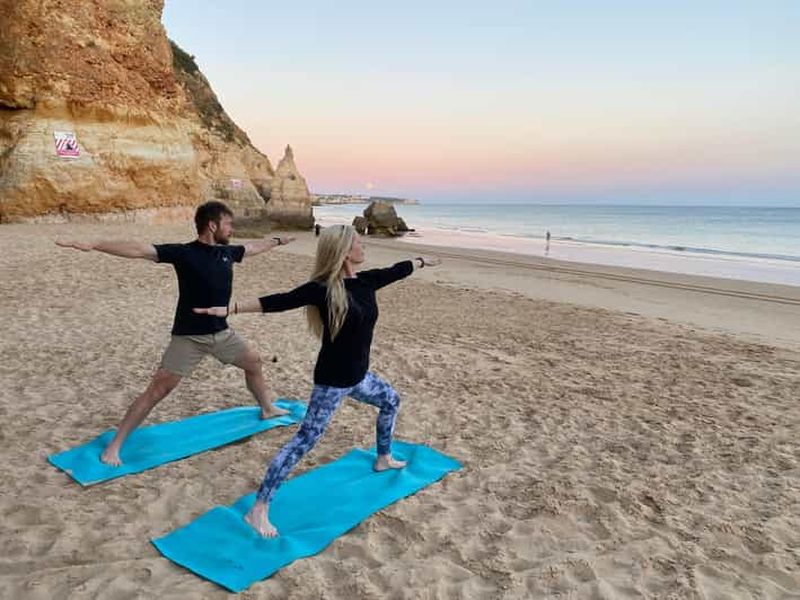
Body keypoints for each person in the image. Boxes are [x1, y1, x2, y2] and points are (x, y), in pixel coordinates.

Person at [194, 224, 441, 537]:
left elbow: (397, 270)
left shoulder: (366, 281)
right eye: (357, 242)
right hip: (333, 382)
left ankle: (383, 457)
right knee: (304, 442)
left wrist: (420, 261)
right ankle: (259, 509)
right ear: (343, 251)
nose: (362, 247)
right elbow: (279, 300)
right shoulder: (324, 289)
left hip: (359, 377)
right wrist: (228, 309)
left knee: (391, 400)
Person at [56, 200, 295, 466]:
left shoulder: (228, 252)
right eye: (228, 224)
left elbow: (253, 248)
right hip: (189, 338)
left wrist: (276, 240)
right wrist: (95, 245)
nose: (232, 230)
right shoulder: (185, 253)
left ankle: (267, 408)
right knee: (157, 391)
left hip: (222, 334)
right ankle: (114, 446)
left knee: (254, 363)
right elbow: (138, 249)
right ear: (212, 225)